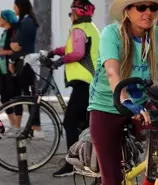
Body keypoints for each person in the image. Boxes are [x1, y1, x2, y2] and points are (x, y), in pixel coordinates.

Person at [87, 0, 158, 185]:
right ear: (127, 10)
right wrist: (125, 100)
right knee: (112, 179)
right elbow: (112, 73)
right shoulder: (111, 34)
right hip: (106, 106)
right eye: (141, 7)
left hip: (142, 104)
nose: (148, 12)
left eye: (152, 7)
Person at [48, 0, 100, 177]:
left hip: (84, 83)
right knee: (84, 123)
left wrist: (59, 61)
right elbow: (71, 48)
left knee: (69, 122)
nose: (71, 17)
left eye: (71, 14)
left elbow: (77, 52)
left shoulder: (80, 29)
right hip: (89, 83)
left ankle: (71, 165)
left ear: (77, 13)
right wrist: (55, 51)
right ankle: (89, 160)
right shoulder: (88, 27)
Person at [5, 0, 41, 138]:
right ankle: (32, 127)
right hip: (26, 63)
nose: (14, 9)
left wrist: (12, 56)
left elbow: (18, 46)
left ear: (21, 6)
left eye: (15, 6)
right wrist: (14, 46)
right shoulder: (26, 21)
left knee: (30, 97)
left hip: (27, 64)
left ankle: (36, 127)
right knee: (28, 95)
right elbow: (15, 45)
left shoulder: (27, 22)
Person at [0, 10, 20, 131]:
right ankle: (12, 124)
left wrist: (3, 52)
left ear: (6, 19)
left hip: (11, 69)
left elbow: (17, 51)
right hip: (2, 70)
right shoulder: (4, 33)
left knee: (15, 97)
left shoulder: (13, 33)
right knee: (4, 98)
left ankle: (17, 125)